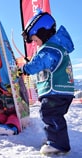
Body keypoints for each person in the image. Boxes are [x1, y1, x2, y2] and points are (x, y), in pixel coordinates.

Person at [20, 10, 74, 155]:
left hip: (55, 92)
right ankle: (55, 140)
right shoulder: (57, 47)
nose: (35, 43)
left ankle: (58, 144)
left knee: (50, 114)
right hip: (61, 91)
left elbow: (40, 62)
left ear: (43, 32)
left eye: (36, 39)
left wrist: (26, 68)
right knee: (53, 115)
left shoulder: (50, 49)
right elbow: (44, 64)